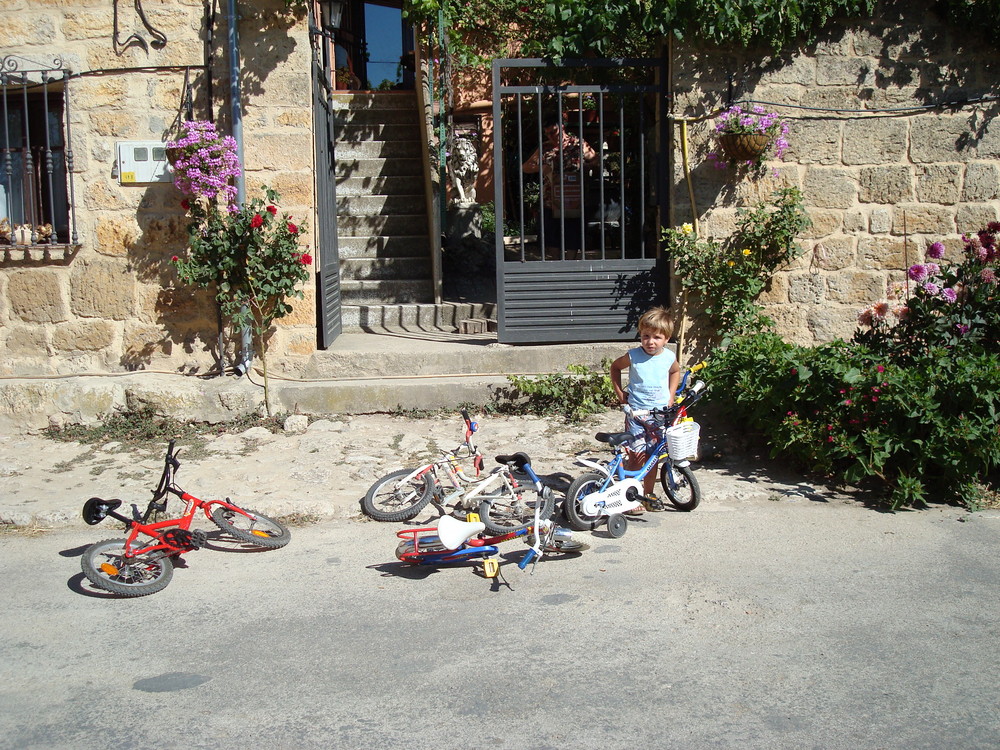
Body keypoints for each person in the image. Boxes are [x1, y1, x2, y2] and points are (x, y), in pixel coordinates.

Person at [609, 306, 681, 511]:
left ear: (666, 339)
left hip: (658, 416)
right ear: (640, 335)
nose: (651, 342)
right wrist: (621, 396)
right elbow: (615, 368)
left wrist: (671, 395)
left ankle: (648, 495)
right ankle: (632, 497)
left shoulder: (668, 357)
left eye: (657, 337)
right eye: (646, 336)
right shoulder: (633, 356)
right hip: (636, 416)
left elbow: (675, 372)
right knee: (636, 457)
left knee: (652, 457)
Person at [521, 116, 597, 260]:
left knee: (573, 233)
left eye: (553, 132)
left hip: (573, 198)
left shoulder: (578, 144)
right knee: (552, 235)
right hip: (551, 200)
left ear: (562, 128)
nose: (550, 136)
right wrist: (541, 167)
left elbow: (595, 160)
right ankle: (556, 266)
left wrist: (584, 168)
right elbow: (525, 167)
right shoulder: (545, 147)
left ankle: (570, 266)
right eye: (547, 133)